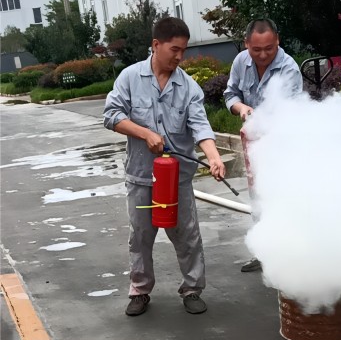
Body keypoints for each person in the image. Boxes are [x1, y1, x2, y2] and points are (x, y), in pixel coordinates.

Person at [104, 17, 226, 316]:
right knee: (140, 237)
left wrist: (213, 157)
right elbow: (112, 115)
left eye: (184, 50)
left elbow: (200, 126)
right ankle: (140, 290)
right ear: (156, 45)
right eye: (175, 49)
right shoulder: (130, 78)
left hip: (177, 179)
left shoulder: (188, 87)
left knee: (187, 236)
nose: (180, 57)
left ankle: (192, 289)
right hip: (141, 176)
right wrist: (145, 133)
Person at [224, 18, 302, 272]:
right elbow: (230, 94)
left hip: (282, 145)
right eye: (256, 49)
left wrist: (264, 123)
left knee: (282, 198)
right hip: (254, 144)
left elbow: (288, 112)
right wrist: (241, 108)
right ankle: (264, 252)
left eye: (269, 48)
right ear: (246, 43)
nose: (263, 55)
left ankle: (292, 256)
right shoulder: (240, 62)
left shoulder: (288, 69)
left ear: (277, 40)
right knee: (258, 196)